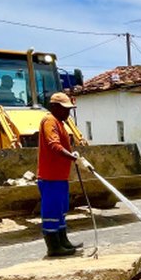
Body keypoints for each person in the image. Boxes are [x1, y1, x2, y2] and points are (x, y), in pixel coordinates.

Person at [38, 92, 92, 257]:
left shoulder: (60, 123)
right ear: (54, 107)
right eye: (65, 109)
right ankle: (53, 246)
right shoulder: (49, 121)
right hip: (50, 177)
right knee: (52, 212)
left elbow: (62, 146)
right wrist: (74, 158)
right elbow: (53, 145)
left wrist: (72, 154)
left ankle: (63, 241)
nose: (68, 113)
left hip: (60, 177)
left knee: (61, 210)